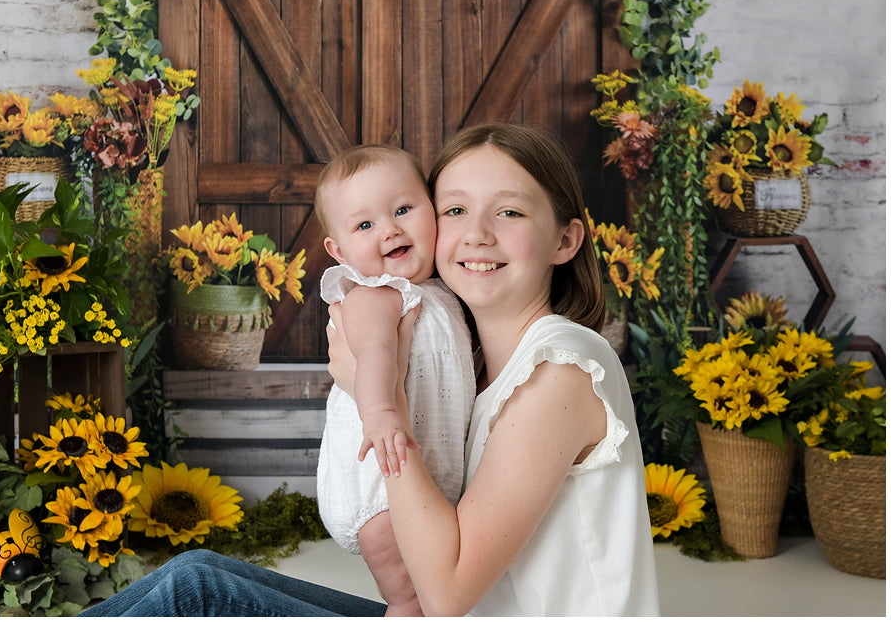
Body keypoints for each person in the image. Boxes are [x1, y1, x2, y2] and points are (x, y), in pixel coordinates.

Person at [79, 123, 658, 617]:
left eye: (509, 211)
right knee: (196, 573)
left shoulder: (560, 367)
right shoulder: (480, 372)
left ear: (565, 240)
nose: (477, 233)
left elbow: (447, 595)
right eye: (456, 209)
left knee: (195, 596)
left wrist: (374, 397)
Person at [313, 144, 475, 616]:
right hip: (380, 483)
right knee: (412, 600)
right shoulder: (375, 292)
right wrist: (381, 414)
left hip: (419, 483)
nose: (390, 229)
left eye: (403, 209)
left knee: (437, 594)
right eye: (365, 225)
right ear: (339, 251)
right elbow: (375, 354)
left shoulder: (441, 292)